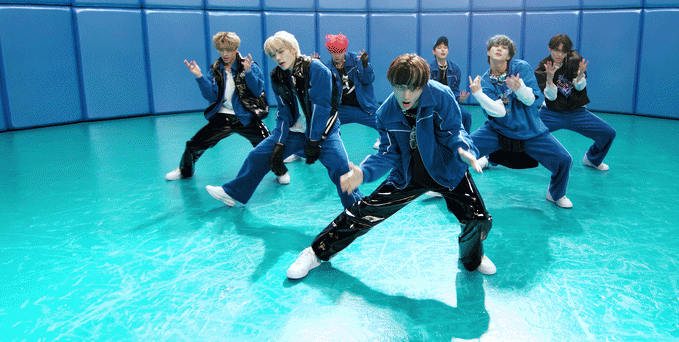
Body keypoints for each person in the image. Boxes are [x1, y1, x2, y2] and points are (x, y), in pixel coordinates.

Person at [285, 53, 495, 279]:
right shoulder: (385, 113)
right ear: (392, 84)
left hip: (447, 170)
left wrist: (464, 150)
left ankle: (472, 256)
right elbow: (388, 152)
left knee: (478, 219)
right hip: (409, 174)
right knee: (365, 212)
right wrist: (364, 173)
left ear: (423, 84)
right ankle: (315, 252)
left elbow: (455, 131)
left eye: (413, 88)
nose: (406, 95)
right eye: (400, 87)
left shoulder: (440, 95)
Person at [205, 31, 362, 208]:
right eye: (273, 55)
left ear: (293, 49)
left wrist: (314, 140)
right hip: (295, 132)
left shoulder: (316, 69)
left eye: (280, 51)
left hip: (324, 132)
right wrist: (279, 143)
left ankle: (356, 208)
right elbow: (284, 111)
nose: (277, 58)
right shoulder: (277, 75)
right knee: (257, 156)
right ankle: (232, 193)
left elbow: (323, 108)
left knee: (341, 168)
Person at [468, 35, 574, 208]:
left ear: (509, 55)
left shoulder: (521, 68)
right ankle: (443, 184)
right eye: (495, 46)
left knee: (564, 160)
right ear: (488, 52)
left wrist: (520, 89)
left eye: (504, 47)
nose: (499, 48)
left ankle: (555, 194)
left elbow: (530, 100)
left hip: (530, 130)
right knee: (462, 149)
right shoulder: (485, 81)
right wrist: (479, 94)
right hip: (498, 130)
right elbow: (499, 112)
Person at [165, 32, 273, 181]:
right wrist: (199, 76)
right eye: (221, 50)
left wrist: (248, 72)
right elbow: (211, 97)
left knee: (269, 144)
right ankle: (185, 171)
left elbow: (256, 91)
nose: (225, 54)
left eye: (228, 50)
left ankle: (280, 171)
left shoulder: (249, 66)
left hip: (246, 117)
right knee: (193, 145)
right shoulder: (216, 69)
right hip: (223, 117)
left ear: (235, 49)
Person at [284, 33, 380, 163]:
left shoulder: (356, 61)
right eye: (334, 51)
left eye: (340, 51)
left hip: (363, 106)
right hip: (341, 109)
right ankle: (299, 152)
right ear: (330, 51)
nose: (337, 55)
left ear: (344, 49)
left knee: (384, 120)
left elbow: (368, 80)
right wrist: (314, 69)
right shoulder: (327, 67)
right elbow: (321, 87)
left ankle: (384, 140)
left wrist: (366, 66)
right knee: (316, 124)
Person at [535, 34, 615, 171]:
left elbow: (579, 87)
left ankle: (592, 159)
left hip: (577, 113)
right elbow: (551, 97)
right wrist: (549, 78)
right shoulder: (542, 67)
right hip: (551, 113)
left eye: (563, 51)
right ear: (550, 49)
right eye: (556, 50)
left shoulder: (575, 60)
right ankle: (495, 159)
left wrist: (580, 75)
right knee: (524, 131)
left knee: (608, 133)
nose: (559, 55)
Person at [428, 36, 472, 132]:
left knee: (466, 115)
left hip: (450, 102)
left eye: (445, 47)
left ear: (448, 51)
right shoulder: (429, 69)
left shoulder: (455, 69)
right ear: (434, 52)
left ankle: (465, 138)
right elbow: (429, 92)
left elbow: (455, 90)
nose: (442, 50)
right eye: (439, 48)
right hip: (434, 104)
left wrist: (460, 99)